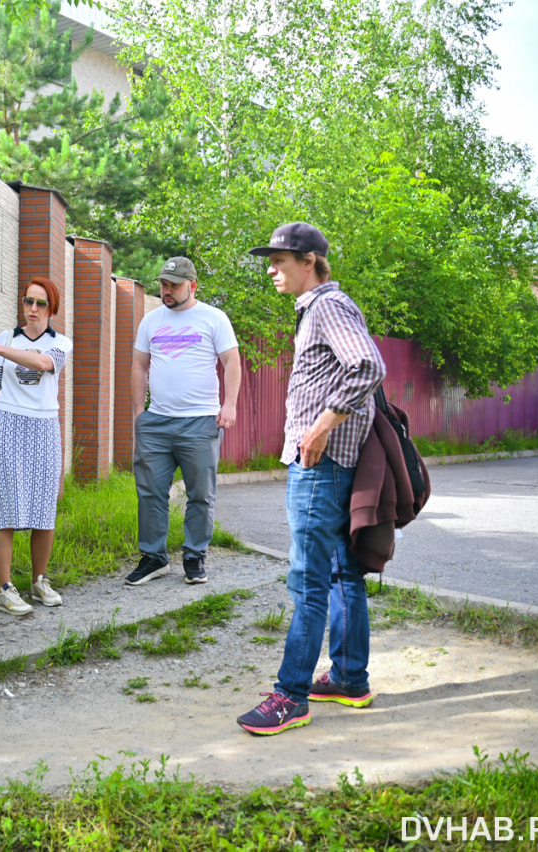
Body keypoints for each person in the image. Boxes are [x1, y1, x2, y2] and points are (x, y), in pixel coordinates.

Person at [236, 222, 386, 735]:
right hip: (330, 462)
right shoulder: (319, 309)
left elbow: (367, 366)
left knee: (308, 579)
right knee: (343, 569)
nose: (271, 270)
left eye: (279, 260)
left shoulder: (326, 306)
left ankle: (290, 695)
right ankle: (347, 677)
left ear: (309, 261)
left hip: (319, 465)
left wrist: (322, 425)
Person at [126, 256, 241, 587]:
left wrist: (229, 405)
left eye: (174, 286)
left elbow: (232, 362)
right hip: (156, 422)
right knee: (150, 492)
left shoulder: (213, 318)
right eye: (163, 284)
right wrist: (138, 412)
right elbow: (139, 366)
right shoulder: (151, 321)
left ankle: (194, 555)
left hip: (200, 422)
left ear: (192, 286)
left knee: (200, 494)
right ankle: (154, 558)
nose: (167, 291)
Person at [0, 277, 74, 616]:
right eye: (28, 301)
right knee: (8, 506)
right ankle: (4, 587)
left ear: (51, 309)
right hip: (9, 425)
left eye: (40, 303)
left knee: (43, 508)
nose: (32, 309)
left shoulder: (61, 343)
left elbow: (41, 364)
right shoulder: (6, 337)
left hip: (45, 427)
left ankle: (39, 580)